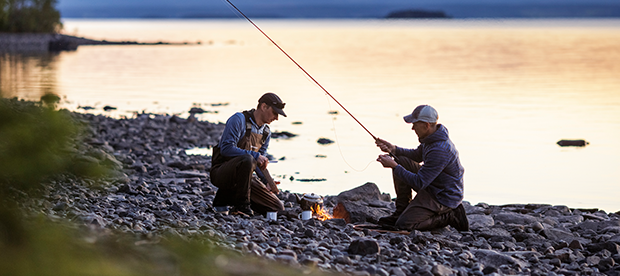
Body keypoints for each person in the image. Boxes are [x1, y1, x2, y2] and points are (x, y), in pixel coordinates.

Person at [375, 104, 469, 231]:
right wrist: (394, 149)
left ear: (426, 125)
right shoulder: (430, 138)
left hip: (442, 196)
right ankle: (401, 211)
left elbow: (419, 183)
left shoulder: (440, 149)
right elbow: (417, 155)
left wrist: (395, 167)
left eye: (415, 124)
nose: (412, 128)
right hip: (433, 185)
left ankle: (450, 215)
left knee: (404, 225)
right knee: (401, 160)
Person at [210, 92, 286, 217]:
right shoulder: (238, 119)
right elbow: (226, 149)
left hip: (245, 179)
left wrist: (266, 181)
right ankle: (241, 207)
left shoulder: (266, 132)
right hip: (222, 172)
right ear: (264, 106)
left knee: (277, 207)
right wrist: (255, 156)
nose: (277, 118)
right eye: (275, 113)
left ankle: (224, 199)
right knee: (248, 159)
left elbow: (259, 164)